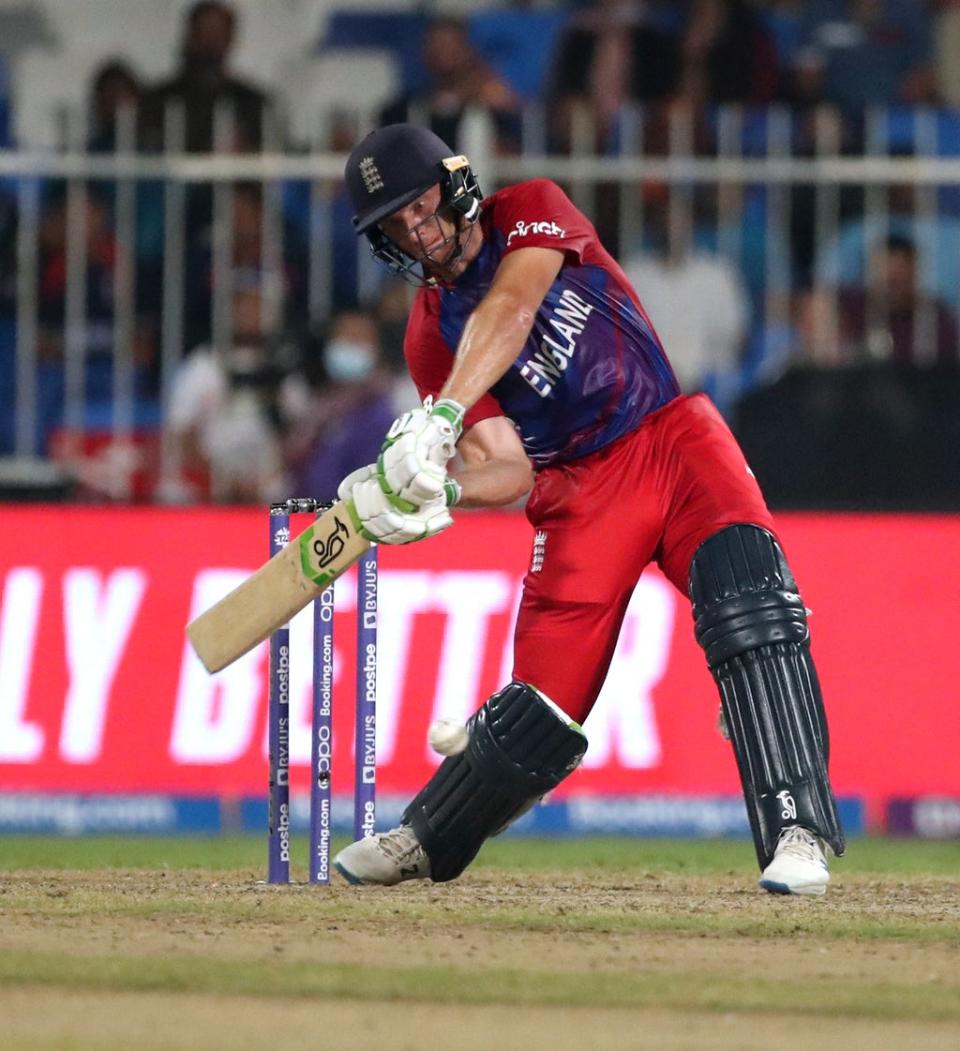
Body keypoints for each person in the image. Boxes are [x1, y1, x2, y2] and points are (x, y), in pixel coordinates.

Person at [331, 123, 845, 895]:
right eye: (397, 225)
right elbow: (502, 466)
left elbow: (513, 302)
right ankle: (426, 839)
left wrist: (440, 419)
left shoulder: (530, 209)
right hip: (576, 496)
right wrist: (435, 486)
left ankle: (796, 829)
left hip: (669, 442)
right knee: (535, 711)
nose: (419, 231)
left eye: (422, 205)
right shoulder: (427, 337)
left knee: (754, 612)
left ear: (456, 180)